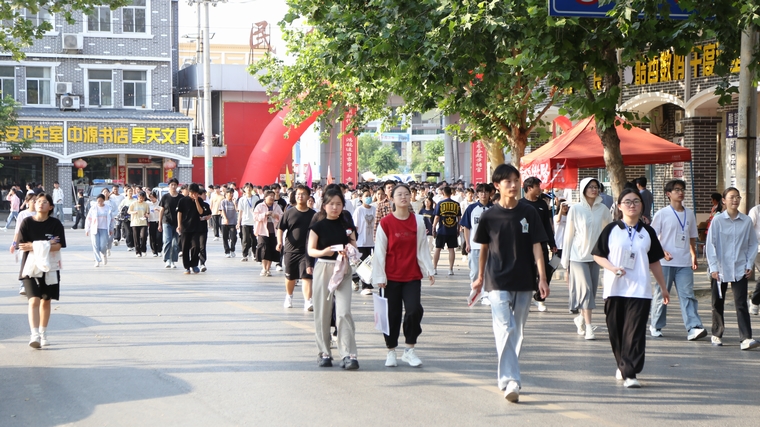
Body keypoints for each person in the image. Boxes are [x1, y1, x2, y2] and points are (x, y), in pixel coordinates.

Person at [471, 164, 549, 403]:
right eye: (508, 182)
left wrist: (542, 277)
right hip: (497, 280)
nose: (513, 185)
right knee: (506, 328)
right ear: (497, 185)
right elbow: (483, 248)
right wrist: (480, 276)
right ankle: (512, 380)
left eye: (516, 180)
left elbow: (538, 245)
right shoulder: (489, 216)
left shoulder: (529, 212)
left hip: (525, 279)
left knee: (518, 331)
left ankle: (507, 378)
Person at [591, 188, 669, 388]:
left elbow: (655, 263)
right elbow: (598, 255)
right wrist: (612, 268)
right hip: (614, 289)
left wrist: (663, 287)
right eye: (627, 201)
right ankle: (623, 364)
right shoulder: (611, 230)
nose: (632, 205)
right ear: (619, 206)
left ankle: (630, 373)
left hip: (639, 290)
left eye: (636, 201)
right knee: (616, 333)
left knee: (634, 333)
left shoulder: (648, 232)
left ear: (641, 205)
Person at [373, 184, 435, 368]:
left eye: (407, 194)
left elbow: (422, 248)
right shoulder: (386, 223)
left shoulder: (418, 221)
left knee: (414, 310)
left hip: (411, 276)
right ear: (391, 198)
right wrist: (379, 277)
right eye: (399, 194)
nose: (403, 197)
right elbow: (380, 252)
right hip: (390, 277)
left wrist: (429, 270)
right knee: (391, 315)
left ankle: (409, 349)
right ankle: (391, 350)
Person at [307, 187, 359, 369]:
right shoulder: (317, 226)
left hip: (343, 268)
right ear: (324, 206)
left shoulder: (347, 226)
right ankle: (324, 352)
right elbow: (310, 250)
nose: (335, 207)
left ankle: (348, 353)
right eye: (331, 204)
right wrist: (324, 251)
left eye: (338, 204)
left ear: (343, 206)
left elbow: (354, 246)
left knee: (344, 311)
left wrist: (349, 250)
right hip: (323, 267)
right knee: (322, 311)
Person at [649, 180, 706, 341]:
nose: (680, 192)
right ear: (668, 194)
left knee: (688, 295)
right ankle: (656, 324)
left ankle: (693, 327)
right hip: (665, 262)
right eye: (676, 190)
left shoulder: (689, 213)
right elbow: (652, 237)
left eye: (682, 190)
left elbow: (691, 237)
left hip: (684, 263)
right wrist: (662, 252)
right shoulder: (662, 213)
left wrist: (693, 255)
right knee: (661, 294)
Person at [706, 187, 760, 350]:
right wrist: (713, 267)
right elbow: (710, 245)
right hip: (720, 268)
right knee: (718, 302)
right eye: (731, 197)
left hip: (739, 268)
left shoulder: (746, 221)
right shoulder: (717, 220)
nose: (735, 200)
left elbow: (752, 244)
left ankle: (746, 338)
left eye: (737, 197)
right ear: (724, 200)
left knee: (741, 302)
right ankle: (717, 333)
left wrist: (749, 264)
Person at [561, 177, 612, 340]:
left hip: (596, 257)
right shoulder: (575, 209)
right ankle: (589, 327)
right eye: (590, 187)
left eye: (596, 187)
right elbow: (568, 235)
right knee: (586, 291)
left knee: (592, 292)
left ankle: (581, 319)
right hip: (578, 257)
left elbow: (609, 232)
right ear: (583, 189)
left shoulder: (603, 209)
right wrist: (565, 261)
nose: (594, 189)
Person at [16, 192, 66, 348]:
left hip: (50, 267)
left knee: (45, 301)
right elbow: (22, 245)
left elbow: (58, 245)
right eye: (38, 201)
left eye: (44, 202)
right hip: (30, 267)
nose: (40, 204)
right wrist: (45, 244)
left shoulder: (55, 224)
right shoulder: (26, 223)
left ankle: (44, 333)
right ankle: (34, 335)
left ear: (50, 206)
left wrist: (34, 245)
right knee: (33, 300)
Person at [520, 177, 556, 312]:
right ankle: (526, 298)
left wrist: (552, 243)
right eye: (538, 187)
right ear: (530, 188)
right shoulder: (520, 204)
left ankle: (540, 297)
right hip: (525, 244)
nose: (540, 189)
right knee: (526, 271)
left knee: (545, 270)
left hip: (541, 243)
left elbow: (547, 225)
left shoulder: (542, 204)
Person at [278, 185, 316, 310]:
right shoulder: (289, 212)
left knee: (307, 276)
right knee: (290, 276)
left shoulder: (313, 215)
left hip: (307, 251)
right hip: (290, 250)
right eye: (298, 194)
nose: (300, 196)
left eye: (303, 194)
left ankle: (308, 301)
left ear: (308, 196)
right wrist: (279, 242)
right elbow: (280, 228)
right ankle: (289, 296)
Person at [461, 183, 494, 305]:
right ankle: (476, 290)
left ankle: (486, 294)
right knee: (475, 271)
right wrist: (467, 243)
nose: (483, 194)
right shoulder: (471, 208)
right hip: (475, 246)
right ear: (477, 194)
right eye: (481, 192)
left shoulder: (494, 209)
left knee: (489, 270)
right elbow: (466, 227)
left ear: (490, 193)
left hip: (491, 246)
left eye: (486, 192)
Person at [432, 186, 462, 276]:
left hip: (442, 230)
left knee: (437, 249)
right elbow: (459, 218)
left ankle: (434, 268)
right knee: (451, 249)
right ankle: (450, 269)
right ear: (451, 193)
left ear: (443, 193)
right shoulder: (456, 204)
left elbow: (437, 217)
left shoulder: (440, 204)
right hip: (452, 230)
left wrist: (433, 227)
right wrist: (458, 229)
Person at [352, 190, 376, 295]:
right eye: (366, 196)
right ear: (361, 198)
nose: (368, 198)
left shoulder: (374, 209)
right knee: (364, 264)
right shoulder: (359, 210)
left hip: (373, 241)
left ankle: (359, 279)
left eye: (370, 196)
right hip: (361, 241)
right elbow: (355, 227)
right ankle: (365, 286)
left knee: (371, 263)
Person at [176, 183, 204, 274]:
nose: (193, 195)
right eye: (192, 193)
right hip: (185, 227)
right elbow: (179, 213)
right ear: (189, 192)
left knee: (196, 246)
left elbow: (201, 212)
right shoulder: (182, 200)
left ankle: (194, 264)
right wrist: (179, 225)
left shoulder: (199, 200)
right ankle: (187, 266)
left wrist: (196, 201)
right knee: (185, 247)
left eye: (195, 193)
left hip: (196, 227)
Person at [254, 190, 283, 276]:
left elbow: (282, 216)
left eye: (273, 196)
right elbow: (255, 217)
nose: (272, 198)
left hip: (274, 231)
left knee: (271, 249)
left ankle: (268, 268)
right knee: (263, 249)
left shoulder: (277, 206)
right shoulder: (260, 206)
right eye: (270, 196)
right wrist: (265, 214)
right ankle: (263, 268)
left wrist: (276, 216)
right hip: (262, 231)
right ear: (265, 197)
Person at [159, 179, 183, 268]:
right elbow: (161, 210)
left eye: (175, 185)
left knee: (175, 243)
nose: (173, 186)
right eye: (172, 184)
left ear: (177, 186)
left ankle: (173, 260)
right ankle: (167, 259)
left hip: (177, 223)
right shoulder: (165, 197)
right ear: (169, 186)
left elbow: (183, 211)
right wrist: (159, 223)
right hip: (166, 221)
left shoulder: (181, 197)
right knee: (167, 240)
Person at [85, 194, 114, 267]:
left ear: (104, 200)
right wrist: (87, 229)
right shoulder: (93, 208)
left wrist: (111, 229)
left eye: (101, 201)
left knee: (103, 245)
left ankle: (103, 254)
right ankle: (97, 260)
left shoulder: (108, 208)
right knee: (95, 245)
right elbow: (88, 219)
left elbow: (111, 220)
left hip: (104, 228)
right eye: (98, 201)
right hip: (95, 229)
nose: (100, 202)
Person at [237, 183, 258, 262]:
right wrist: (238, 222)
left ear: (252, 189)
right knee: (245, 239)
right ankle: (244, 255)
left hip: (254, 222)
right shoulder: (242, 199)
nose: (248, 189)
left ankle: (254, 253)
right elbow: (240, 212)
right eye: (246, 187)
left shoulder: (256, 198)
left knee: (254, 239)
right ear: (244, 189)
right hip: (245, 222)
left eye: (250, 187)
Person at [128, 191, 150, 257]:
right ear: (137, 197)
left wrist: (146, 215)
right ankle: (138, 252)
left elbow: (147, 212)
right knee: (136, 238)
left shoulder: (146, 204)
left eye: (142, 198)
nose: (141, 199)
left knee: (143, 236)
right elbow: (128, 211)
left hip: (143, 222)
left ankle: (143, 249)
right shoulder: (133, 203)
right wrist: (134, 212)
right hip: (135, 222)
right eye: (140, 198)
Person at [197, 188, 213, 272]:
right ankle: (194, 263)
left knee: (202, 246)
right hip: (194, 229)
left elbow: (210, 214)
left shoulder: (206, 205)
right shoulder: (193, 204)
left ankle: (202, 263)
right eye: (204, 194)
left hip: (203, 229)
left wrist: (206, 217)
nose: (205, 196)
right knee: (195, 247)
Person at [220, 188, 238, 258]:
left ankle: (232, 249)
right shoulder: (223, 202)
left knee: (233, 237)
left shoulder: (234, 201)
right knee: (225, 237)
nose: (231, 194)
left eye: (232, 193)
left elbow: (237, 210)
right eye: (229, 193)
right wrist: (225, 218)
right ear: (226, 194)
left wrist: (234, 203)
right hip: (225, 222)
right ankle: (227, 251)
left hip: (233, 222)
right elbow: (223, 211)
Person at [117, 187, 136, 251]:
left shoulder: (135, 200)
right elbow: (120, 207)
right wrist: (124, 211)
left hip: (133, 218)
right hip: (126, 219)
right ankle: (129, 245)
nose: (130, 192)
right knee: (128, 232)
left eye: (131, 191)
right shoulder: (124, 200)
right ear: (126, 193)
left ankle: (134, 244)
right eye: (129, 191)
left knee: (133, 231)